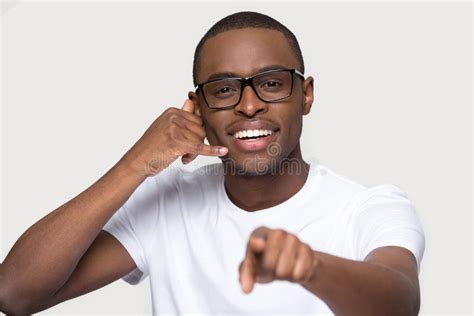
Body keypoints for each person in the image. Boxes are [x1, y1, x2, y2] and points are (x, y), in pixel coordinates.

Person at [0, 11, 425, 315]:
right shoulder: (166, 204)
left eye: (272, 84)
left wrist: (312, 268)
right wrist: (136, 165)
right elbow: (14, 293)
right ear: (197, 107)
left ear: (306, 95)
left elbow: (400, 303)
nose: (250, 105)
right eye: (224, 90)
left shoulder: (368, 207)